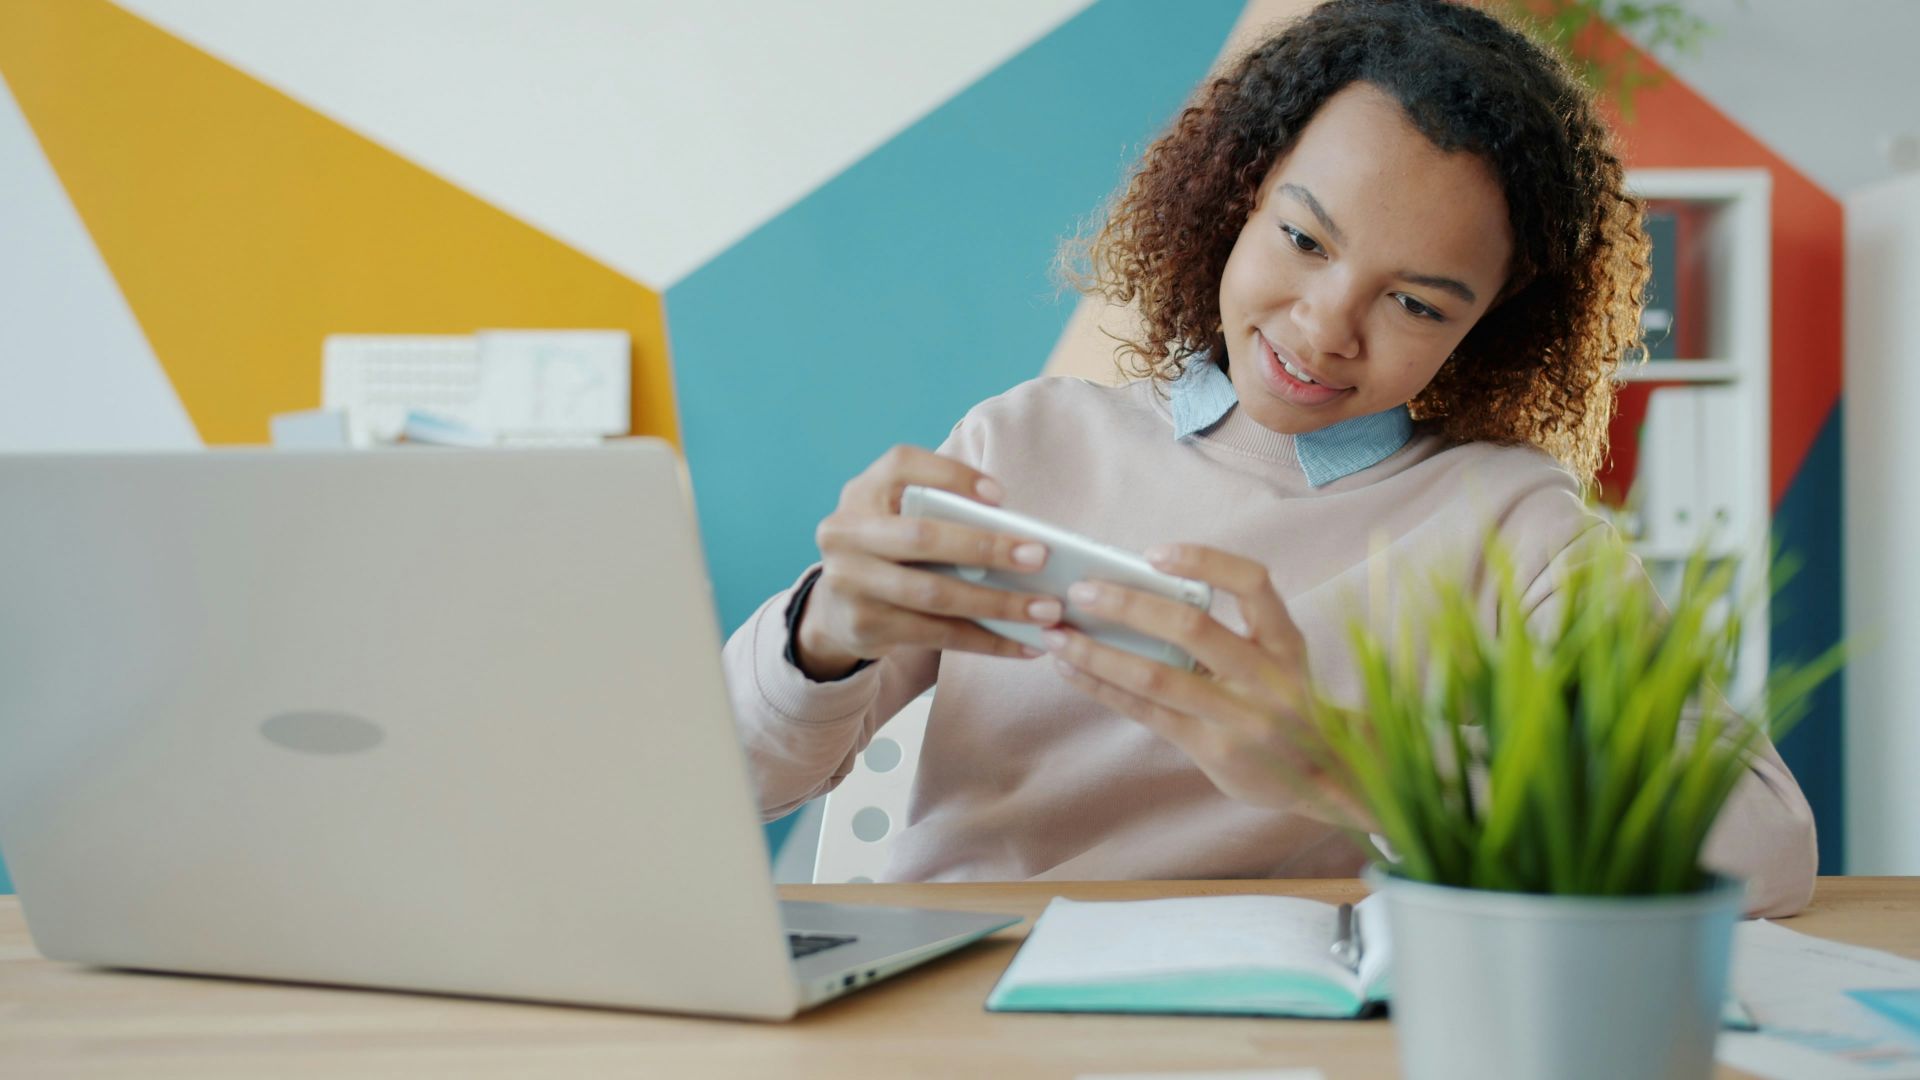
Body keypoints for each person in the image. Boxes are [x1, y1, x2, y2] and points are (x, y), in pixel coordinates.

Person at [721, 0, 1816, 915]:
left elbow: (1768, 844)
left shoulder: (1513, 523)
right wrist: (823, 637)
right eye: (1303, 240)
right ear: (1234, 201)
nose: (1325, 329)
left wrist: (1347, 761)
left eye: (1416, 302)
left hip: (1281, 1027)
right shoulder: (1026, 444)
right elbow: (719, 788)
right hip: (965, 1011)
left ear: (1488, 324)